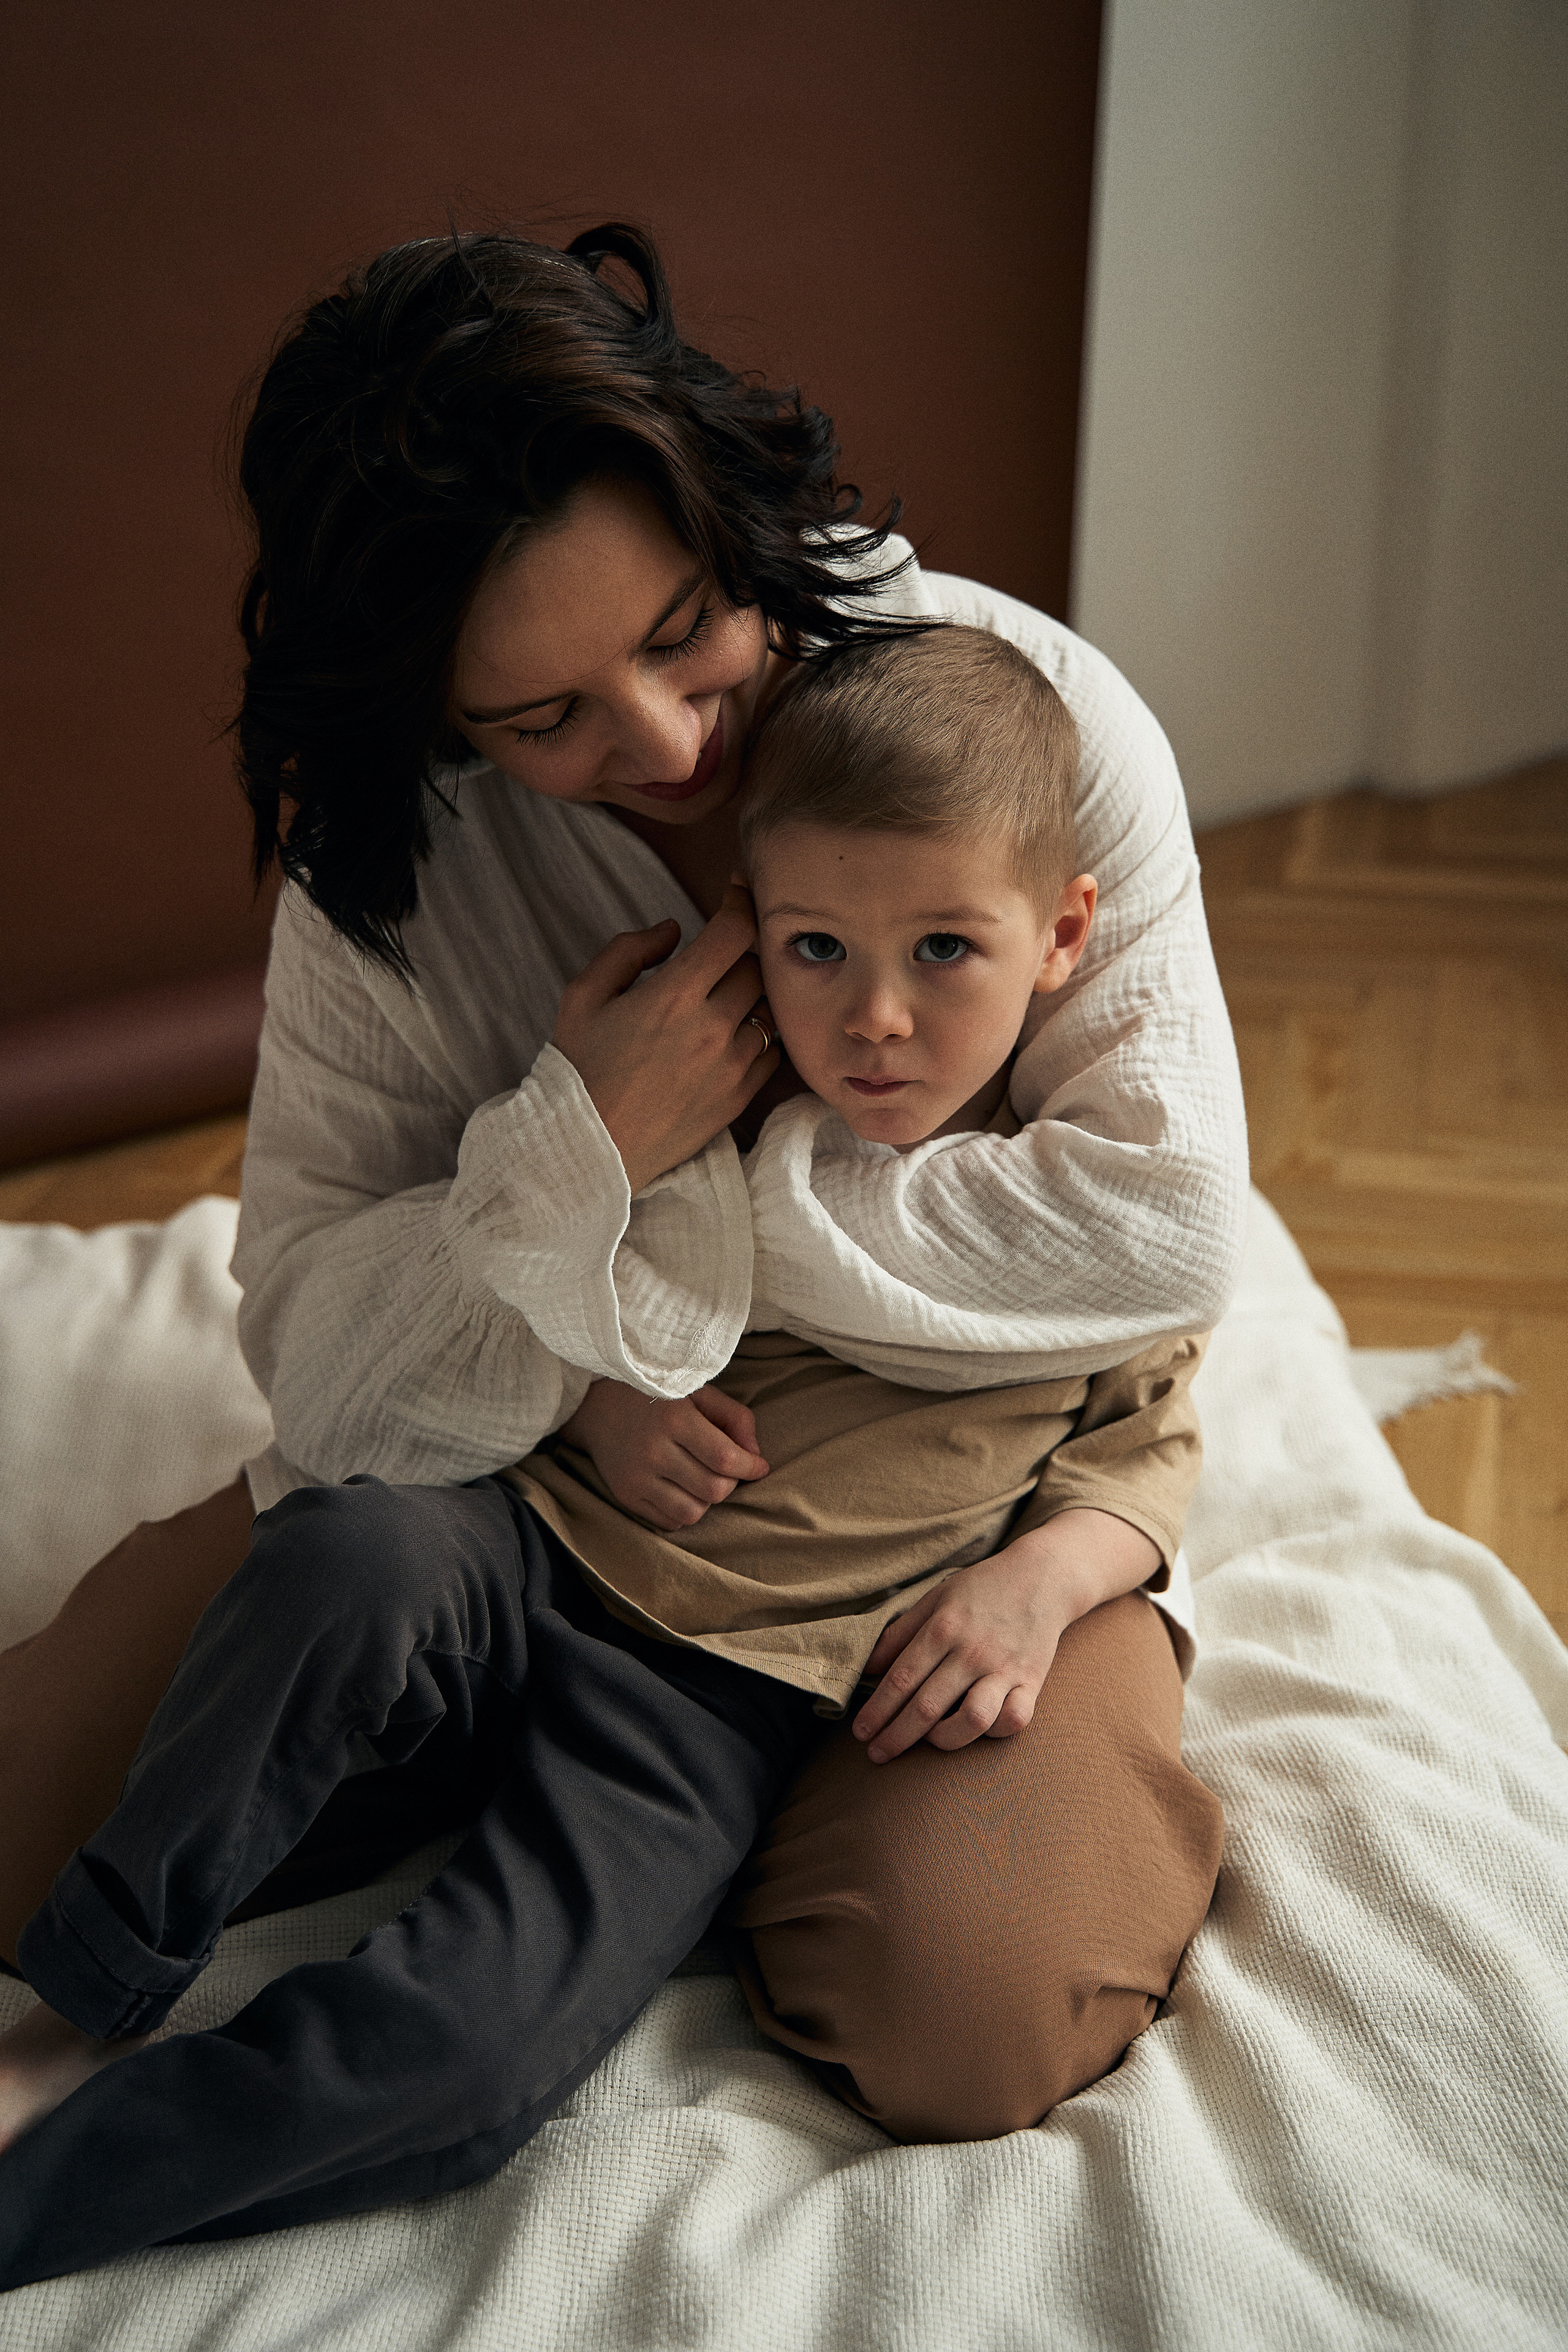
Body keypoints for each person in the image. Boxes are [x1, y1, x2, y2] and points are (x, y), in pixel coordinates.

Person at [0, 224, 1245, 2286]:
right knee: (50, 1793)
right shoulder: (399, 859)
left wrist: (644, 1180)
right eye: (547, 717)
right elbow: (323, 1353)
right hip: (512, 1518)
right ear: (430, 719)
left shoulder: (1015, 729)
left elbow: (1160, 1239)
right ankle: (351, 1865)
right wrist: (579, 1207)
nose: (668, 747)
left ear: (735, 518)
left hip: (860, 1602)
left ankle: (686, 1851)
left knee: (970, 2006)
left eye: (689, 635)